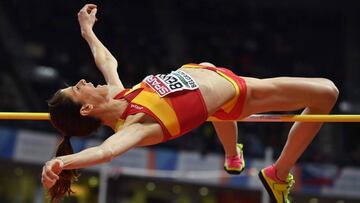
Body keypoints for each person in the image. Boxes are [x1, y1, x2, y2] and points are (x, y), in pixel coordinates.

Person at [41, 4, 339, 203]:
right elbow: (106, 152)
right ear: (86, 109)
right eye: (79, 88)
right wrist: (61, 161)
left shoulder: (121, 96)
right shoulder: (134, 126)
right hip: (240, 92)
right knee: (327, 92)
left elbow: (107, 61)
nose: (85, 81)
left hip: (207, 74)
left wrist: (87, 31)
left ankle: (232, 155)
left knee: (212, 88)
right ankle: (278, 173)